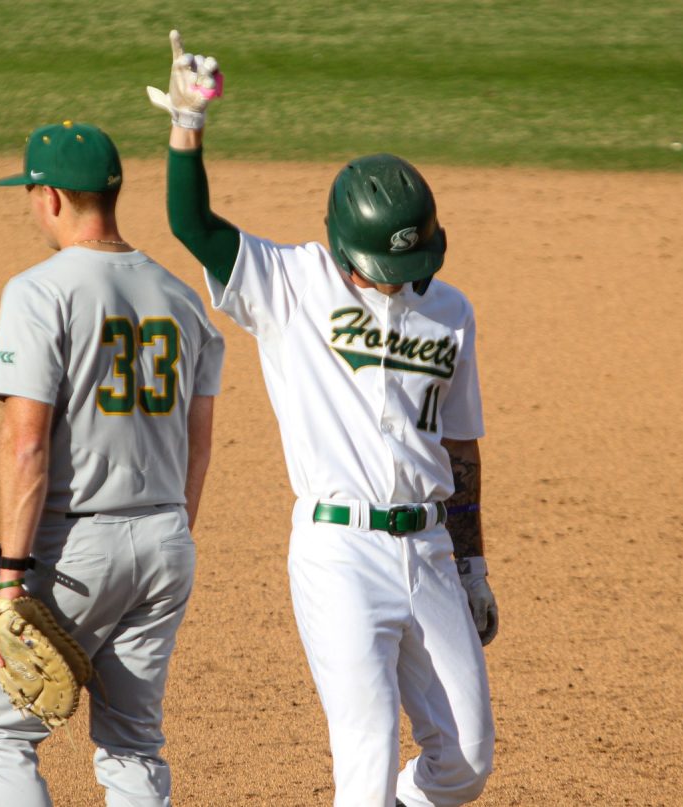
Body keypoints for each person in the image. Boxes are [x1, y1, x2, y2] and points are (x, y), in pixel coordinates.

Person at [148, 31, 496, 807]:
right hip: (339, 553)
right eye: (390, 268)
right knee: (364, 765)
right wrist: (187, 128)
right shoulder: (288, 283)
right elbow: (192, 225)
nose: (408, 283)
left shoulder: (451, 312)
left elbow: (461, 445)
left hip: (431, 549)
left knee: (467, 761)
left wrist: (471, 562)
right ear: (345, 247)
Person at [0, 119, 225, 806]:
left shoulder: (39, 291)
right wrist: (172, 533)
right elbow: (201, 440)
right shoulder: (183, 299)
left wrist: (12, 575)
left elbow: (26, 443)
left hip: (71, 549)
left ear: (49, 196)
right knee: (133, 745)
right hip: (167, 540)